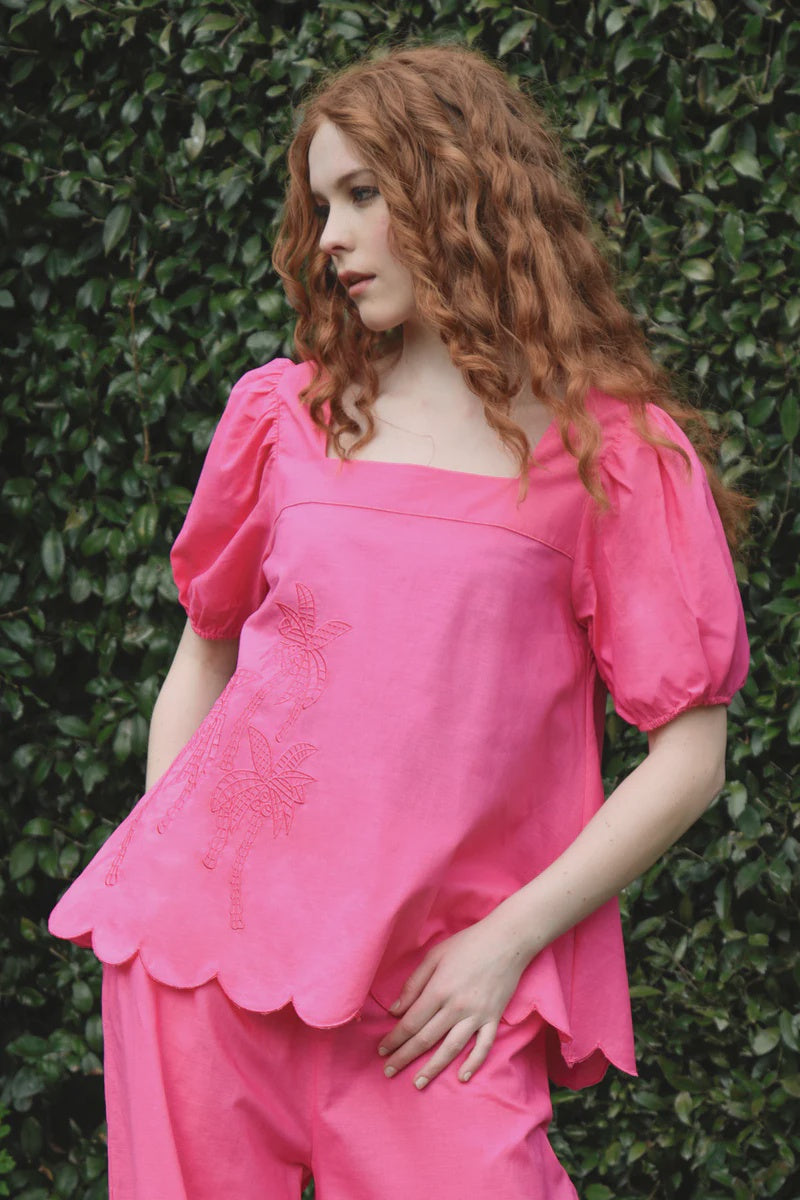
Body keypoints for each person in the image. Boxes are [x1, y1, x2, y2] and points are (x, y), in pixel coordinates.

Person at [48, 37, 752, 1200]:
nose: (329, 235)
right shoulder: (281, 417)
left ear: (459, 189)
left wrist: (503, 944)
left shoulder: (614, 458)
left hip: (437, 1007)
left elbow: (689, 754)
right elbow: (203, 652)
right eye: (322, 203)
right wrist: (181, 873)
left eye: (363, 194)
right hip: (201, 978)